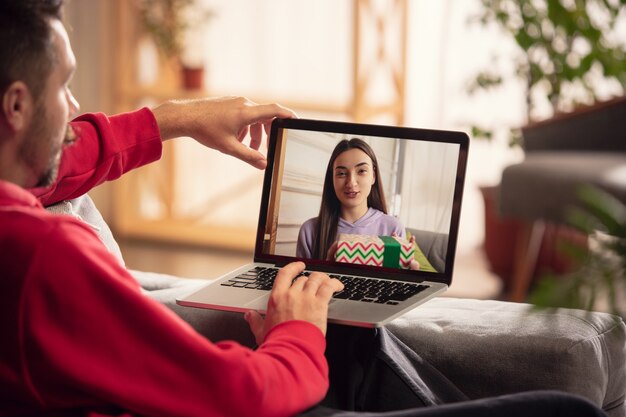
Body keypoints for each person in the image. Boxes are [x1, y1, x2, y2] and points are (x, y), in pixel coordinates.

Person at [0, 1, 609, 417]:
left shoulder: (392, 229)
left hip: (286, 368)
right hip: (262, 397)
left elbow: (65, 167)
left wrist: (175, 120)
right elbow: (238, 395)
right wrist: (295, 332)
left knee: (357, 338)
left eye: (361, 171)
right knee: (569, 409)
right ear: (18, 105)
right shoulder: (43, 257)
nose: (76, 108)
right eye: (65, 86)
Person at [296, 138, 416, 269]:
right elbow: (301, 284)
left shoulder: (393, 227)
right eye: (341, 173)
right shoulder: (309, 230)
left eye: (361, 171)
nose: (351, 182)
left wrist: (410, 276)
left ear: (373, 176)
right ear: (332, 179)